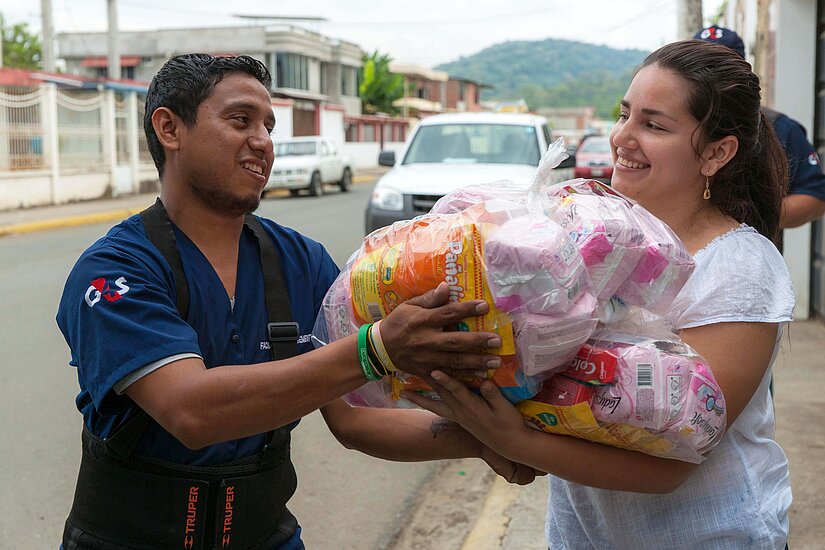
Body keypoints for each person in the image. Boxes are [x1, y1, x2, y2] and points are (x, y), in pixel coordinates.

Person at [56, 54, 538, 550]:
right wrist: (374, 351)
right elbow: (191, 412)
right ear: (169, 129)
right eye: (240, 120)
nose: (263, 141)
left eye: (268, 126)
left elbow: (355, 419)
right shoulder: (115, 271)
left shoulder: (300, 263)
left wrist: (491, 439)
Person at [406, 40, 794, 549]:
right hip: (584, 535)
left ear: (717, 153)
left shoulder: (739, 268)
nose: (621, 138)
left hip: (710, 535)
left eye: (654, 126)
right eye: (624, 114)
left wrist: (513, 440)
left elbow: (675, 459)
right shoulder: (593, 239)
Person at [695, 25, 825, 231]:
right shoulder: (669, 124)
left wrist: (752, 219)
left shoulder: (779, 127)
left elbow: (815, 196)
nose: (711, 81)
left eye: (722, 70)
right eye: (700, 71)